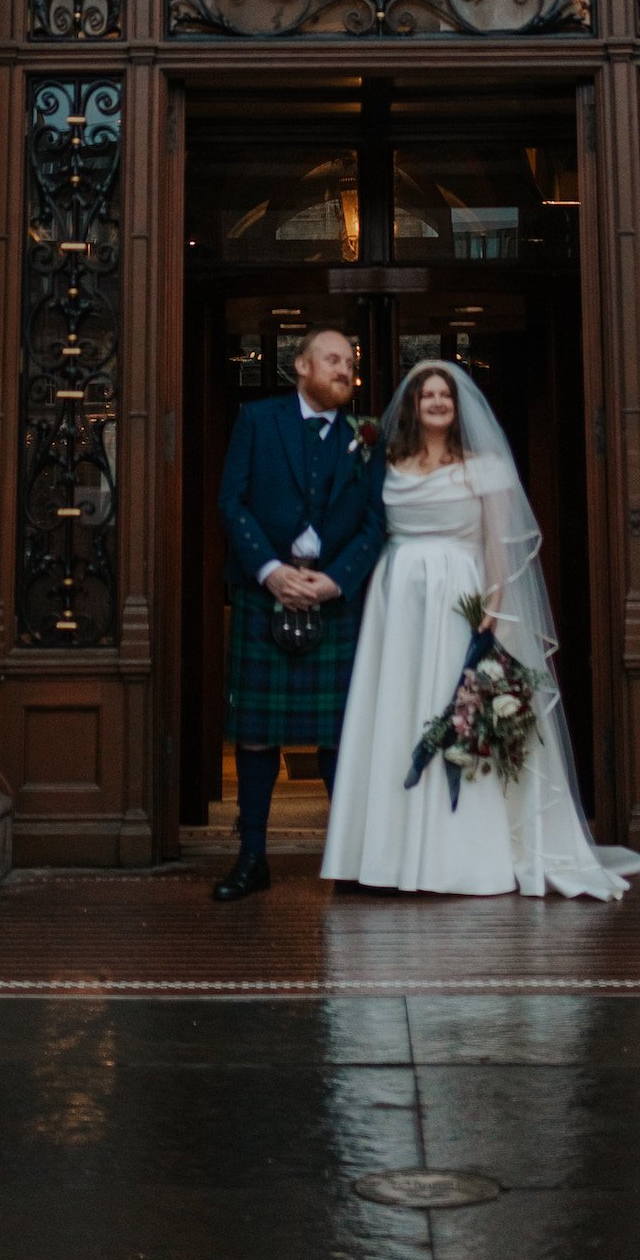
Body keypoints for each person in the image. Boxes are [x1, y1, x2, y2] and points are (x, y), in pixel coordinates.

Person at [322, 360, 640, 899]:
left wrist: (494, 605)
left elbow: (501, 542)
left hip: (461, 595)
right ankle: (385, 854)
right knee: (397, 709)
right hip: (397, 599)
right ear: (412, 405)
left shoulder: (485, 467)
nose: (435, 402)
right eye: (426, 394)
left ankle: (460, 857)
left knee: (453, 708)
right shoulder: (386, 461)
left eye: (444, 396)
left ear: (458, 408)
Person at [213, 326, 385, 904]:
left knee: (338, 737)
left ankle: (346, 861)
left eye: (350, 360)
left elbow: (376, 525)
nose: (345, 367)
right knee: (257, 737)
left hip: (331, 599)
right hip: (266, 594)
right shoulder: (259, 420)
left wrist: (336, 582)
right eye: (333, 358)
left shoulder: (367, 435)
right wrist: (269, 570)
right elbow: (230, 501)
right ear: (301, 366)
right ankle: (253, 857)